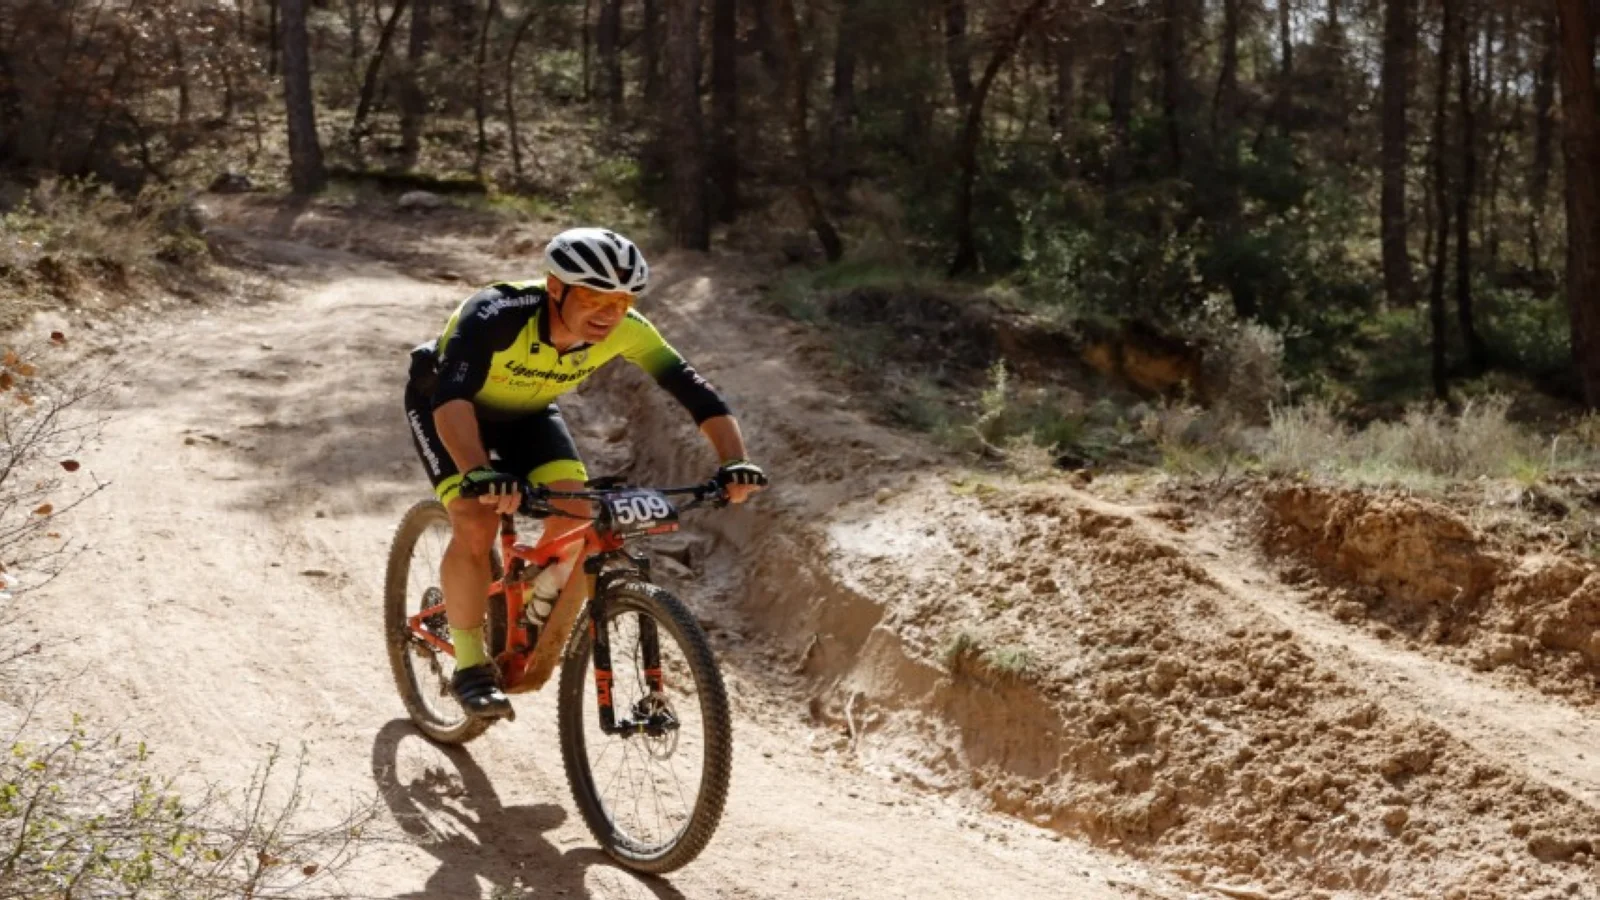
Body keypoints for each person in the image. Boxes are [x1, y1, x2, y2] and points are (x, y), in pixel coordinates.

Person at [403, 228, 767, 719]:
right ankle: (470, 665)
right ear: (555, 287)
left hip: (527, 415)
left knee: (576, 515)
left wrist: (734, 461)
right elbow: (452, 400)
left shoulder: (629, 329)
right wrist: (479, 473)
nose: (609, 313)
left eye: (621, 300)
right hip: (446, 405)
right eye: (594, 297)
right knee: (475, 517)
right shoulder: (495, 313)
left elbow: (696, 393)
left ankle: (522, 600)